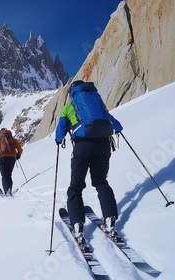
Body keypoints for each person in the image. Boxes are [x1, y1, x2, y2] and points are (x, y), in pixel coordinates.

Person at [55, 80, 123, 247]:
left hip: (83, 148)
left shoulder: (70, 106)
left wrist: (59, 140)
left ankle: (78, 227)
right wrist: (118, 128)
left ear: (72, 93)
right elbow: (115, 123)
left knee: (76, 187)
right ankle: (110, 222)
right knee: (101, 182)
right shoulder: (97, 101)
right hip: (103, 146)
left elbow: (60, 131)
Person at [0, 128, 23, 196]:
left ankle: (7, 191)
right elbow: (20, 149)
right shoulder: (13, 140)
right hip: (11, 159)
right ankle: (9, 190)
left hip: (2, 159)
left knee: (4, 176)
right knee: (9, 175)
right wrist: (18, 155)